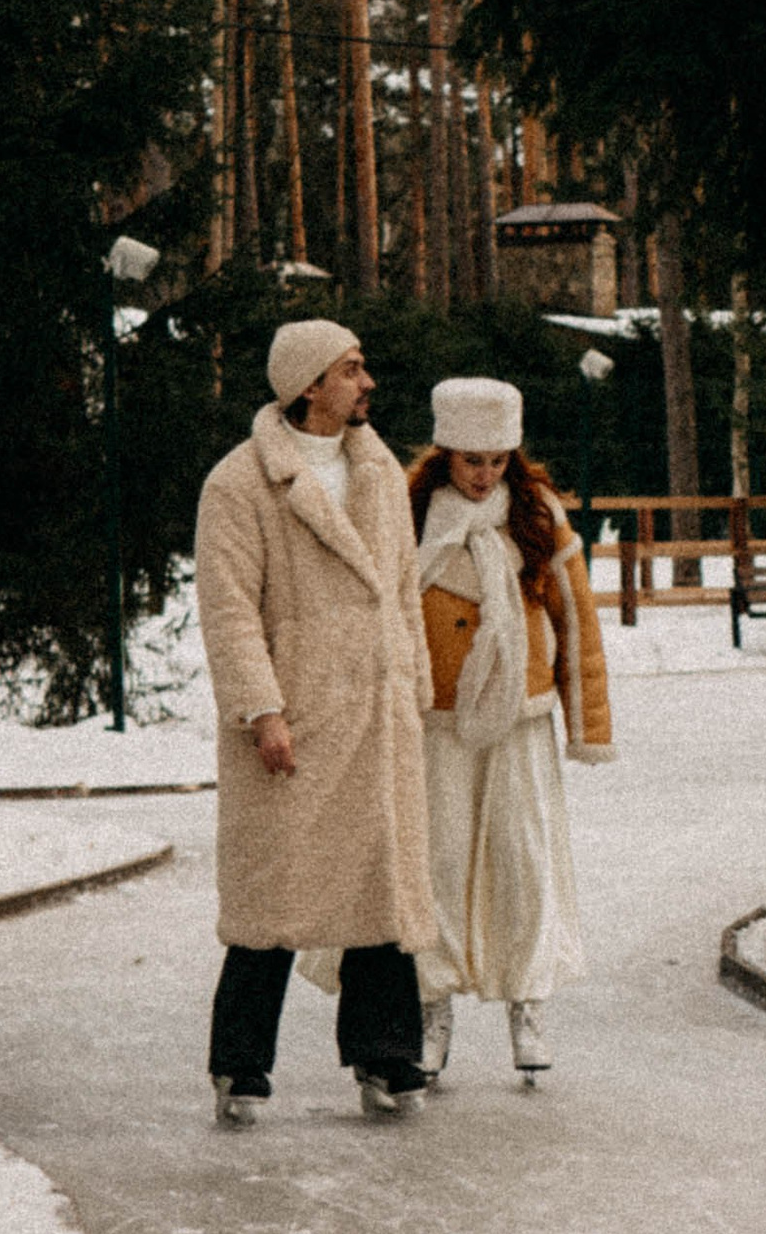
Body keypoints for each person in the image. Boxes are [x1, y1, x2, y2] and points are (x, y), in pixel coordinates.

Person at [194, 317, 437, 1123]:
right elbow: (229, 613)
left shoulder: (378, 472)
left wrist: (414, 690)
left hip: (375, 710)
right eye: (351, 369)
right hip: (295, 720)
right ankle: (240, 1066)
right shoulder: (240, 484)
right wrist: (263, 710)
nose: (367, 383)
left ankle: (389, 1053)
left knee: (381, 886)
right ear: (308, 386)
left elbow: (401, 593)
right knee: (275, 896)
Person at [405, 376, 614, 1080]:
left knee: (521, 863)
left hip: (518, 719)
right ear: (445, 452)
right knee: (438, 864)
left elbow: (575, 622)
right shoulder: (408, 513)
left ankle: (528, 1002)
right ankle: (432, 1008)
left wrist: (587, 725)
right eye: (470, 460)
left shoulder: (538, 516)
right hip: (434, 719)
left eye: (496, 460)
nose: (483, 474)